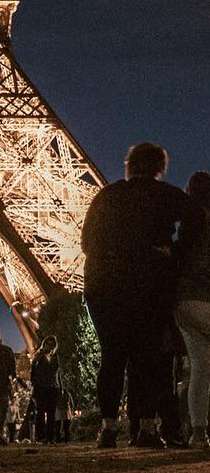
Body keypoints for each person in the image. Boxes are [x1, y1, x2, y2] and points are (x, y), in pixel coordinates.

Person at [82, 142, 199, 448]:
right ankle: (147, 428)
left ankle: (107, 426)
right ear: (159, 167)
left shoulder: (107, 196)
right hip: (146, 284)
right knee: (147, 357)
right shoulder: (166, 195)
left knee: (112, 356)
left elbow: (85, 243)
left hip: (104, 284)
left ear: (129, 165)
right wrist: (173, 249)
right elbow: (198, 217)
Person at [175, 171, 210, 448]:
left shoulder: (188, 221)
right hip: (206, 298)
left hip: (184, 302)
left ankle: (198, 433)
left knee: (200, 368)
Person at [29, 335, 61, 444]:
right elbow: (33, 372)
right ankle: (41, 437)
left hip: (53, 387)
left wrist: (60, 387)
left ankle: (50, 437)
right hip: (41, 388)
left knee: (51, 413)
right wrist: (34, 384)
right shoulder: (38, 356)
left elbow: (58, 373)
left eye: (53, 345)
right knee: (41, 413)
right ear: (44, 344)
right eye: (49, 344)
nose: (51, 347)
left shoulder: (55, 357)